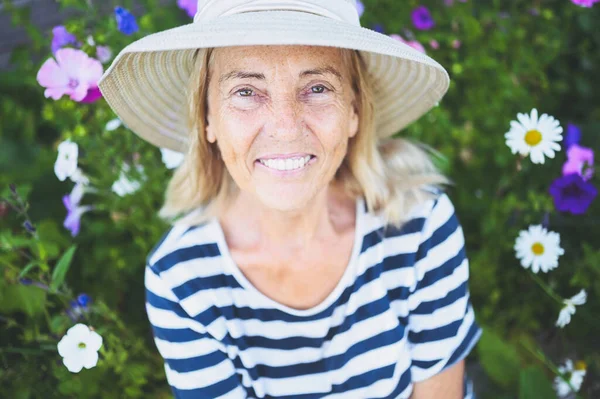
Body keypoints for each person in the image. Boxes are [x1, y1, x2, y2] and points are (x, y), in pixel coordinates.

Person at [98, 1, 482, 398]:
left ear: (353, 110)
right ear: (207, 117)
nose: (285, 128)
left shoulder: (420, 226)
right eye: (246, 91)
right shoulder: (182, 278)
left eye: (317, 88)